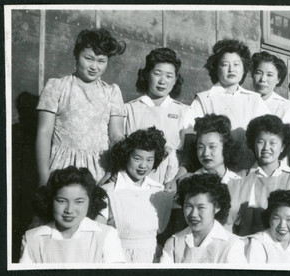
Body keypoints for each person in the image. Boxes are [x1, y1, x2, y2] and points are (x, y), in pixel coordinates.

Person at [36, 28, 126, 186]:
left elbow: (116, 136)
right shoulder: (56, 87)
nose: (94, 66)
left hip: (100, 171)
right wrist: (44, 176)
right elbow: (44, 133)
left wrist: (112, 172)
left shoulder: (112, 92)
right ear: (76, 55)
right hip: (61, 169)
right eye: (89, 58)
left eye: (101, 61)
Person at [189, 39, 271, 171]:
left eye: (237, 64)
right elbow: (191, 139)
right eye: (225, 64)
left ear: (244, 68)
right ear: (215, 68)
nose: (231, 69)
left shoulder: (255, 99)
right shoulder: (204, 99)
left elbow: (268, 133)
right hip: (214, 170)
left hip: (249, 169)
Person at [98, 127, 174, 263]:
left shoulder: (159, 192)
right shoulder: (109, 191)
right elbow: (97, 234)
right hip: (117, 259)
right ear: (127, 156)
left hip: (152, 260)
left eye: (149, 160)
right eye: (137, 158)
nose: (143, 165)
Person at [20, 166, 125, 263]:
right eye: (62, 201)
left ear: (90, 202)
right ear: (50, 200)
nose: (69, 210)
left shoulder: (106, 235)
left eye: (79, 202)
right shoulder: (33, 238)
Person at [235, 115, 290, 236]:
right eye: (260, 142)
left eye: (273, 143)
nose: (266, 148)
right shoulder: (240, 178)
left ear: (283, 147)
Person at [125, 47, 191, 185]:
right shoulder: (129, 109)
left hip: (171, 181)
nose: (162, 81)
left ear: (175, 80)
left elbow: (188, 156)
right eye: (157, 74)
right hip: (134, 179)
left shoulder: (185, 111)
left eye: (169, 76)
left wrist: (175, 181)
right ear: (147, 74)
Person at [160, 174, 246, 263]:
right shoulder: (174, 242)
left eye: (201, 207)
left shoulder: (231, 244)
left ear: (217, 207)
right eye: (188, 206)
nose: (193, 214)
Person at [251, 51, 290, 169]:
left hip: (276, 168)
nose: (263, 79)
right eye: (258, 73)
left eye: (269, 75)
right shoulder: (244, 101)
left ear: (278, 79)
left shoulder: (287, 106)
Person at [246, 190, 290, 264]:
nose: (282, 225)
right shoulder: (258, 242)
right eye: (276, 218)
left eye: (289, 219)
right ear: (269, 218)